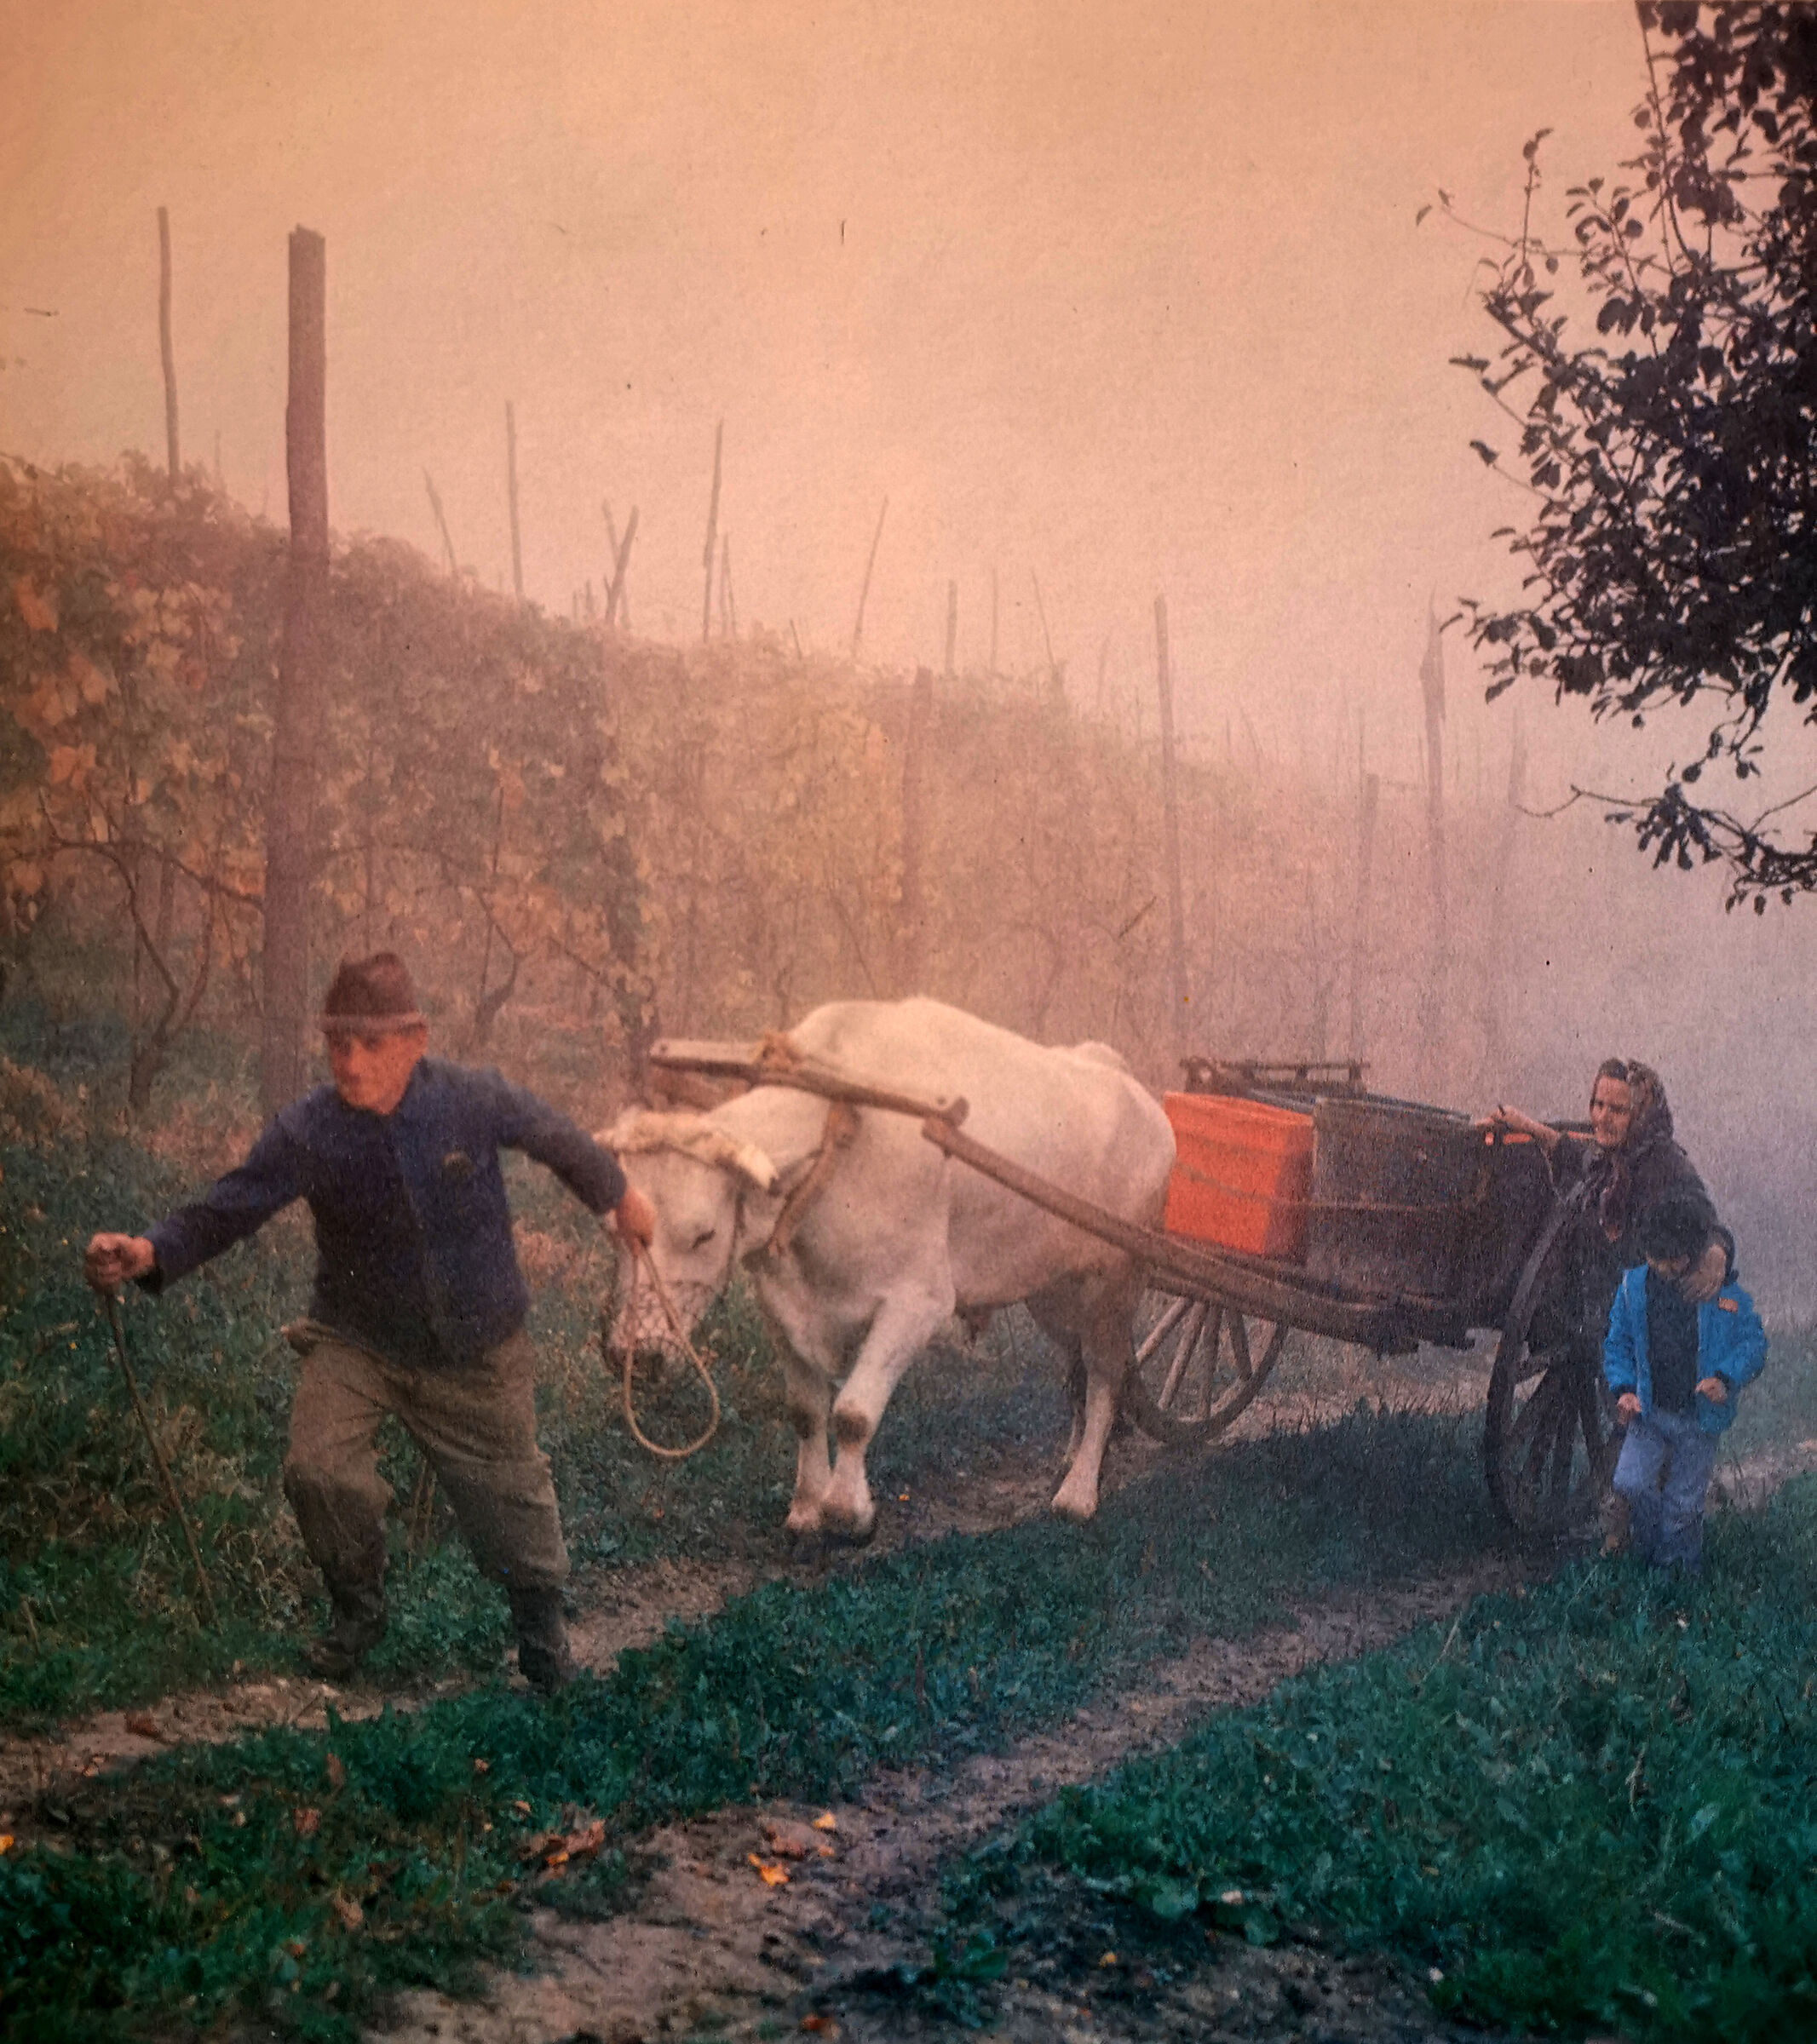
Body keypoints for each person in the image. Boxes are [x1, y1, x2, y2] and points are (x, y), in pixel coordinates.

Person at [83, 951, 656, 1694]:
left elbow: (554, 1135)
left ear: (414, 1039)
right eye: (336, 1044)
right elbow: (233, 1203)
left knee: (510, 1495)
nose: (350, 1063)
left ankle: (540, 1633)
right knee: (316, 1469)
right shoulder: (308, 1130)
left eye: (370, 1044)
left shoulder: (470, 1098)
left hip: (476, 1347)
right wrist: (149, 1249)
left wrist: (618, 1194)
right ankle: (358, 1608)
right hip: (358, 1340)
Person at [1601, 1191, 1767, 1576]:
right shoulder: (1632, 1289)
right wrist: (1623, 1388)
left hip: (1697, 1420)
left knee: (1684, 1503)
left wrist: (1725, 1377)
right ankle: (1652, 1552)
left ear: (1688, 1256)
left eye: (1666, 1259)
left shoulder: (1723, 1295)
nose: (1657, 1266)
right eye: (1651, 1257)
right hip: (1650, 1412)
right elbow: (1617, 1342)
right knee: (1630, 1482)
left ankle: (1679, 1574)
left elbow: (1753, 1343)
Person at [1486, 1057, 1730, 1311]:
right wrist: (1523, 1125)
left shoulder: (1664, 1165)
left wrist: (1716, 1252)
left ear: (1640, 1115)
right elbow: (1572, 1151)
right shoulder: (1612, 1155)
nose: (1603, 1118)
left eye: (1618, 1110)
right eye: (1599, 1104)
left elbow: (1708, 1223)